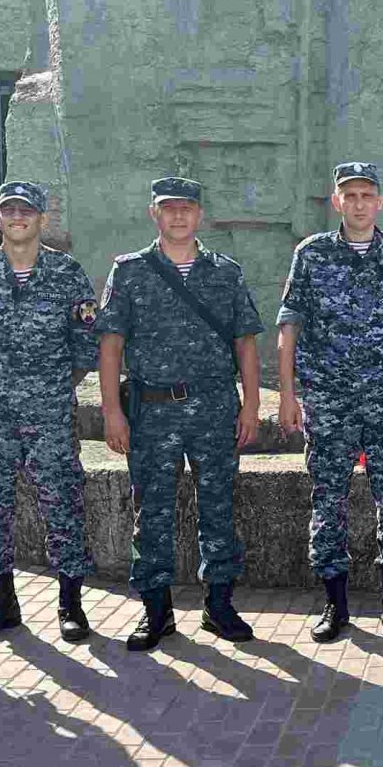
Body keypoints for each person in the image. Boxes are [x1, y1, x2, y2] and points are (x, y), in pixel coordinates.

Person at [97, 178, 266, 652]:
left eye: (186, 208)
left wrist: (251, 404)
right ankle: (156, 610)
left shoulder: (225, 273)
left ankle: (220, 604)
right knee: (151, 510)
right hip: (152, 410)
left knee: (219, 506)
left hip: (214, 408)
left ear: (199, 214)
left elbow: (245, 343)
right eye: (168, 208)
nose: (177, 217)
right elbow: (110, 346)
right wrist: (112, 411)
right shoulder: (130, 272)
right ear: (154, 213)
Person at [277, 162, 383, 643]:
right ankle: (335, 605)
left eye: (368, 195)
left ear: (380, 202)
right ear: (336, 201)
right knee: (328, 500)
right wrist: (288, 395)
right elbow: (289, 326)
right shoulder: (312, 254)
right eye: (351, 195)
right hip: (329, 400)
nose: (360, 203)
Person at [0, 181, 101, 645]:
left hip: (50, 411)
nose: (18, 217)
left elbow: (84, 346)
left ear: (41, 219)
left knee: (62, 501)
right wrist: (6, 382)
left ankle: (70, 604)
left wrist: (48, 387)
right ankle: (1, 604)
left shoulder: (67, 274)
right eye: (9, 210)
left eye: (27, 211)